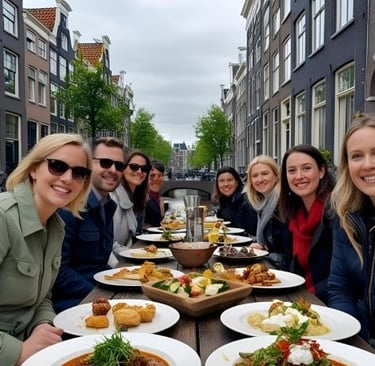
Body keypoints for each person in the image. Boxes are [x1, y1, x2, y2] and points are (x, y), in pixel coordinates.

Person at [0, 133, 92, 366]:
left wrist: (43, 324)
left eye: (79, 172)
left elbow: (42, 296)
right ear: (33, 169)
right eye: (57, 166)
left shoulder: (55, 227)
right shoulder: (3, 219)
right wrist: (17, 351)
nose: (68, 178)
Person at [51, 137, 125, 313]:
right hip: (72, 303)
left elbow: (99, 265)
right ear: (89, 165)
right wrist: (100, 293)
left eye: (119, 165)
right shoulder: (70, 206)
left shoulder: (107, 206)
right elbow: (59, 272)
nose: (113, 170)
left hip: (97, 294)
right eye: (105, 163)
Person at [328, 114, 375, 343]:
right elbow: (340, 288)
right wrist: (353, 343)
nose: (368, 164)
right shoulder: (346, 218)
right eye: (357, 156)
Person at [279, 144, 335, 303]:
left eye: (306, 168)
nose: (298, 176)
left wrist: (304, 298)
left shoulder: (335, 214)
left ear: (322, 171)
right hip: (300, 295)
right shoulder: (293, 213)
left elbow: (342, 276)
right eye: (291, 171)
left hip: (326, 302)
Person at [246, 155, 292, 270]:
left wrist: (266, 253)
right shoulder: (262, 206)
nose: (260, 179)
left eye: (265, 173)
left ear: (276, 177)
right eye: (255, 176)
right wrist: (259, 246)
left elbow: (287, 252)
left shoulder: (284, 206)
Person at [111, 149, 151, 254]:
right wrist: (138, 254)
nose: (139, 172)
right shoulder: (113, 199)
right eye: (134, 166)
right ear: (123, 168)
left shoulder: (137, 198)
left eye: (144, 168)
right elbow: (109, 244)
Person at [211, 166, 257, 236]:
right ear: (217, 184)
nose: (226, 184)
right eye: (221, 181)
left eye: (229, 180)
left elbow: (253, 234)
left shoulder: (247, 202)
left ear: (237, 183)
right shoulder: (224, 201)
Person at [144, 160, 165, 228]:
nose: (156, 179)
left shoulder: (159, 198)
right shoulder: (143, 199)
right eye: (152, 175)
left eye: (160, 175)